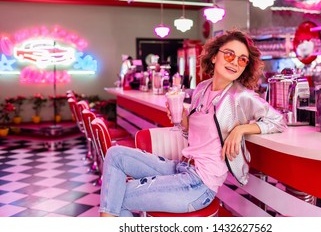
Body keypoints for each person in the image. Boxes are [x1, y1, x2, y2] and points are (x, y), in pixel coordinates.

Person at [99, 29, 287, 217]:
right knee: (115, 155)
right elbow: (194, 136)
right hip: (182, 167)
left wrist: (241, 129)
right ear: (214, 57)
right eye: (229, 55)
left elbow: (278, 121)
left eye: (242, 59)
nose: (235, 63)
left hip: (199, 185)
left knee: (115, 197)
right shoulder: (202, 88)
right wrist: (183, 120)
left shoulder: (241, 96)